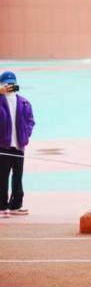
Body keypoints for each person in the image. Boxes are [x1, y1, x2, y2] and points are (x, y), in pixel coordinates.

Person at [0, 71, 35, 218]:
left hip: (19, 146)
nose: (9, 85)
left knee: (18, 176)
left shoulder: (24, 102)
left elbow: (30, 121)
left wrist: (25, 135)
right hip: (3, 146)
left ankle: (16, 205)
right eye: (6, 83)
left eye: (12, 82)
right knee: (2, 176)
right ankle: (1, 206)